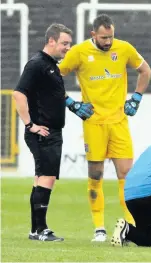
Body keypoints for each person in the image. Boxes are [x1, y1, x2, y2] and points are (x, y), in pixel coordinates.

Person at [58, 14, 151, 242]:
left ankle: (131, 225)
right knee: (96, 176)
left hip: (119, 122)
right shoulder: (79, 52)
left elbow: (145, 70)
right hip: (94, 123)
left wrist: (136, 98)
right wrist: (71, 103)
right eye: (103, 37)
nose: (108, 41)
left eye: (111, 37)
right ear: (93, 35)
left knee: (126, 176)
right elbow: (53, 77)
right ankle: (99, 228)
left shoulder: (124, 48)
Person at [13, 24, 93, 241]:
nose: (68, 48)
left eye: (69, 43)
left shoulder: (50, 65)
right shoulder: (37, 64)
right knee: (47, 178)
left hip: (51, 131)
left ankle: (35, 230)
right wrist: (31, 125)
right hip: (44, 132)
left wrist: (72, 105)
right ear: (51, 41)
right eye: (64, 43)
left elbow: (53, 94)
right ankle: (40, 230)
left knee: (41, 178)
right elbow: (18, 94)